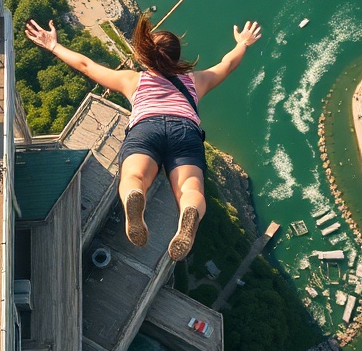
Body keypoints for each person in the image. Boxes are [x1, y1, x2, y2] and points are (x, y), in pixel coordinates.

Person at [25, 14, 261, 261]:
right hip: (185, 131)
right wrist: (242, 43)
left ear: (147, 55)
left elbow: (86, 65)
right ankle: (189, 211)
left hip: (146, 128)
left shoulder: (133, 79)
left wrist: (52, 45)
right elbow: (228, 64)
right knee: (190, 187)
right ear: (177, 57)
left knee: (134, 177)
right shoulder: (195, 81)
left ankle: (134, 197)